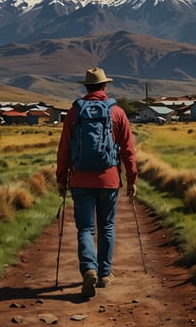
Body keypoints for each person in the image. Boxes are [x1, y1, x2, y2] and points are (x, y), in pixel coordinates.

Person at [56, 67, 138, 298]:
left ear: (86, 87)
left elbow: (64, 150)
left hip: (80, 179)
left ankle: (88, 270)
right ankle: (104, 274)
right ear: (104, 86)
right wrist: (132, 179)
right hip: (109, 179)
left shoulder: (74, 113)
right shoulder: (117, 113)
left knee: (85, 228)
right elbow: (128, 151)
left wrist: (61, 180)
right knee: (107, 227)